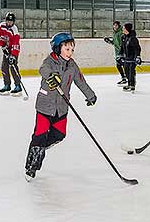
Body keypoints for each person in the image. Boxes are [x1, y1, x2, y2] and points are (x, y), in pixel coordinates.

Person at [24, 32, 97, 181]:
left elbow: (80, 81)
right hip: (45, 106)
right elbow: (42, 69)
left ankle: (41, 147)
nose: (70, 53)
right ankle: (31, 167)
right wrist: (51, 76)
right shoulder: (50, 61)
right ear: (57, 49)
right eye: (67, 49)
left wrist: (90, 95)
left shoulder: (72, 66)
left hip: (62, 107)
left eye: (72, 50)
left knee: (59, 134)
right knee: (39, 136)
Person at [0, 12, 22, 96]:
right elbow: (1, 37)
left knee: (13, 66)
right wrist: (3, 47)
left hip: (14, 49)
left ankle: (18, 86)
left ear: (13, 22)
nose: (9, 23)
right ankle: (7, 85)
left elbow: (16, 43)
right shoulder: (2, 26)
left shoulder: (15, 30)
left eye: (11, 21)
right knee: (4, 67)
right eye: (8, 21)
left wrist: (13, 55)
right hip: (6, 48)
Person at [118, 23, 141, 92]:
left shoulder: (133, 38)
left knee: (131, 71)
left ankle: (132, 85)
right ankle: (129, 83)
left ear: (127, 29)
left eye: (124, 28)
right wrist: (120, 55)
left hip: (132, 58)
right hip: (126, 58)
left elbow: (137, 48)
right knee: (126, 70)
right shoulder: (123, 37)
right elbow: (122, 47)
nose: (123, 29)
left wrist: (137, 57)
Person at [103, 21, 126, 86]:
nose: (114, 27)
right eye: (114, 25)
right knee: (118, 65)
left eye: (116, 25)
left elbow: (122, 43)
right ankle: (124, 77)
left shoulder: (120, 33)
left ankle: (128, 78)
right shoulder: (115, 33)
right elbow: (114, 43)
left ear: (119, 26)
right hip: (117, 52)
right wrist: (109, 41)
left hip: (122, 52)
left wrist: (122, 51)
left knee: (124, 65)